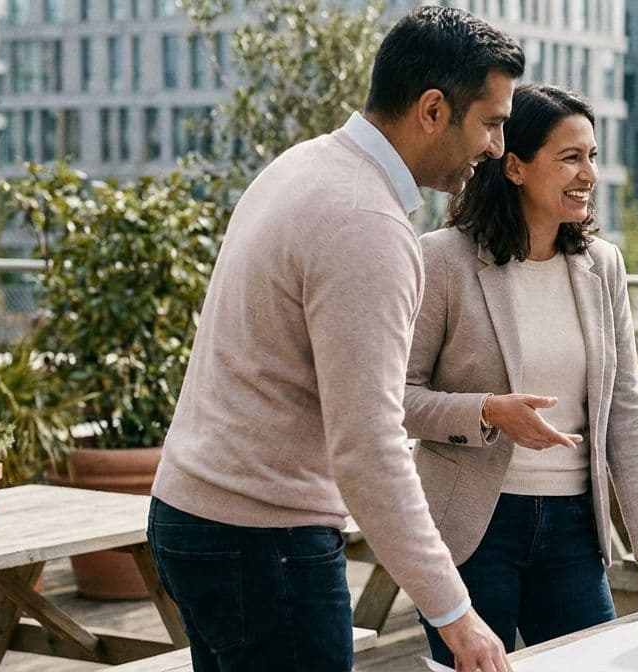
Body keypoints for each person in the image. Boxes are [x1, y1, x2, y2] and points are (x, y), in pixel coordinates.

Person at [146, 7, 524, 671]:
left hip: (192, 517)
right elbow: (368, 447)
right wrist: (457, 616)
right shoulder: (367, 223)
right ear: (433, 109)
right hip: (265, 541)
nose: (496, 146)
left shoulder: (306, 165)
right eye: (491, 122)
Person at [404, 83, 638, 667]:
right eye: (570, 157)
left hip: (574, 528)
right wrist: (487, 411)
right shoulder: (442, 259)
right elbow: (397, 397)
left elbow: (625, 409)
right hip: (472, 528)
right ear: (515, 167)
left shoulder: (603, 265)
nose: (588, 174)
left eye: (591, 156)